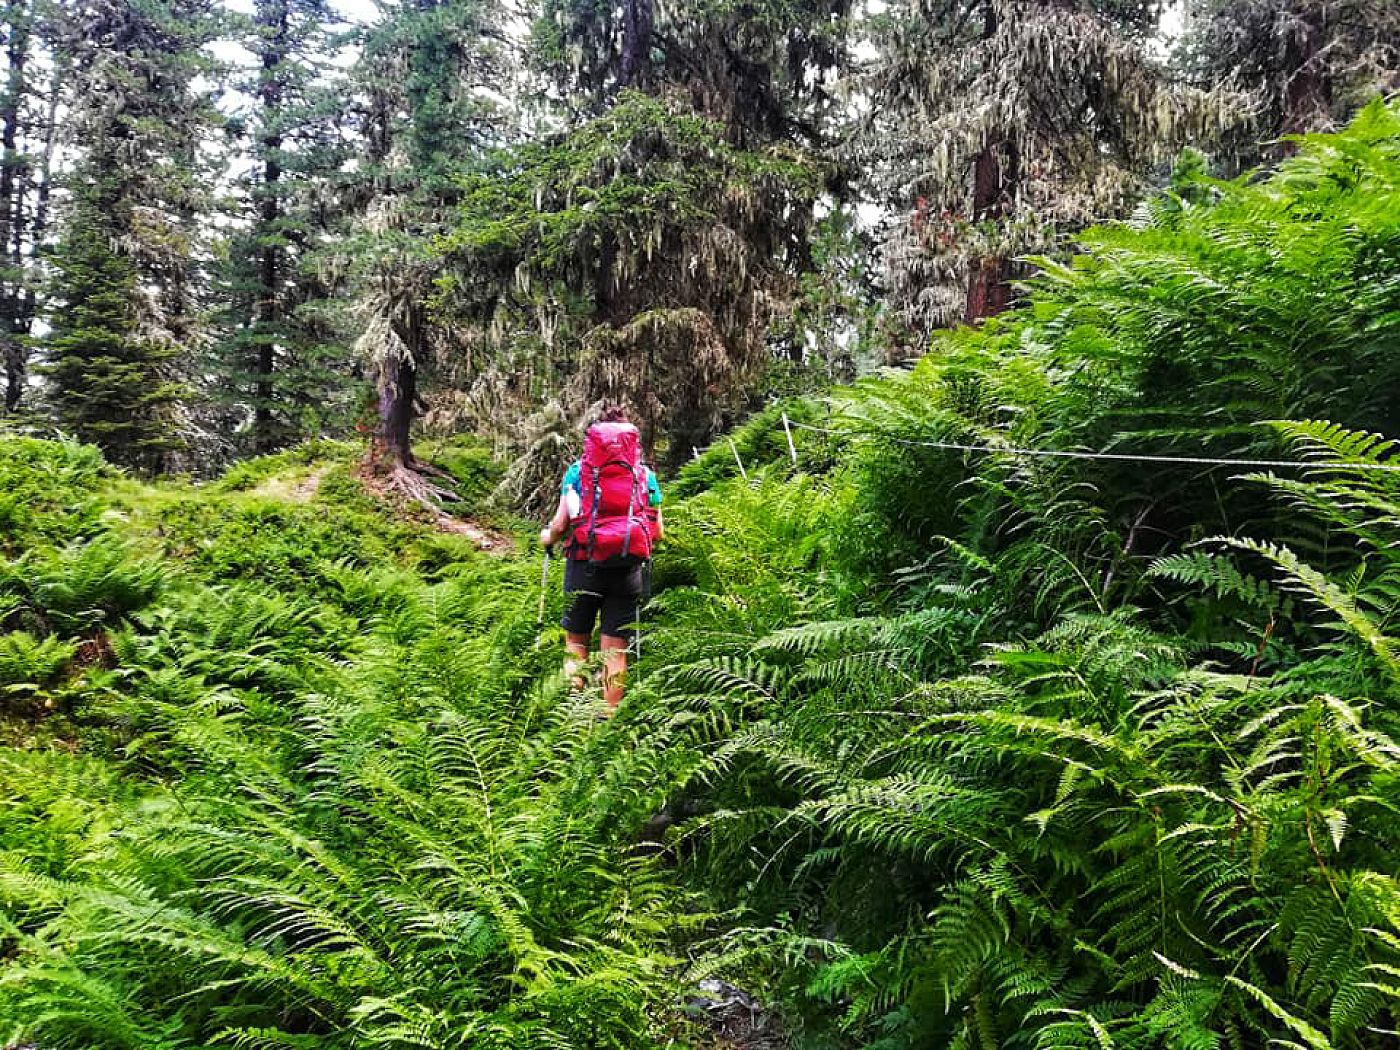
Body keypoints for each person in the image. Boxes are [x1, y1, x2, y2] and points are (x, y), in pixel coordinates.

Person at [539, 404, 663, 713]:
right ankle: (609, 720)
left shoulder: (577, 472)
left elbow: (560, 524)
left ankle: (573, 719)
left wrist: (546, 538)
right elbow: (657, 532)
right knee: (615, 651)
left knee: (576, 644)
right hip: (627, 569)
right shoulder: (645, 476)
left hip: (584, 566)